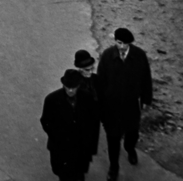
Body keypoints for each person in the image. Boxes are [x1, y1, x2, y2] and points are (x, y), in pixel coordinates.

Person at [95, 27, 154, 179]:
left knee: (132, 133)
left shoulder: (139, 55)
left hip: (131, 105)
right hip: (112, 106)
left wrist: (146, 99)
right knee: (113, 139)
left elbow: (146, 78)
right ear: (115, 41)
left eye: (125, 44)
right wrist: (100, 104)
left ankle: (130, 149)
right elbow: (101, 81)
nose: (122, 47)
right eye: (119, 43)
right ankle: (113, 167)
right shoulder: (108, 56)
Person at [41, 67, 102, 181]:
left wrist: (91, 147)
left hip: (80, 148)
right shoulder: (52, 100)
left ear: (78, 85)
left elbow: (94, 124)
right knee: (63, 175)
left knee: (79, 175)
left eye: (73, 87)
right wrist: (57, 136)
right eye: (68, 87)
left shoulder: (87, 99)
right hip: (61, 148)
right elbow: (45, 121)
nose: (70, 90)